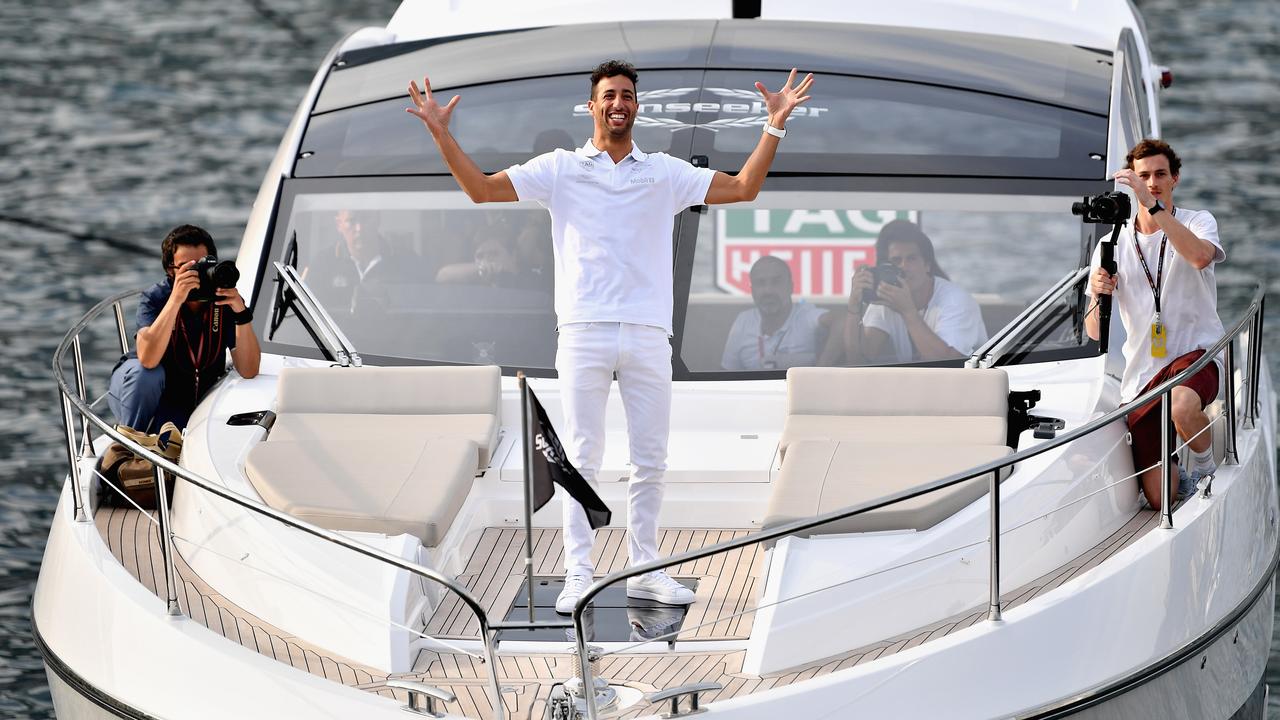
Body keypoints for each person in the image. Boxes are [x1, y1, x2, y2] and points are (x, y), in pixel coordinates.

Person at [407, 59, 813, 613]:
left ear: (636, 107)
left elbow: (743, 189)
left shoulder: (664, 172)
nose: (618, 103)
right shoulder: (560, 169)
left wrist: (774, 125)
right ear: (592, 106)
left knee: (651, 460)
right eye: (608, 95)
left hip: (648, 333)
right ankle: (579, 574)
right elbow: (480, 191)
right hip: (582, 331)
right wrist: (440, 132)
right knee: (581, 459)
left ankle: (645, 569)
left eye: (626, 95)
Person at [1086, 139, 1225, 511]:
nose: (1152, 183)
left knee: (1181, 404)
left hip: (1196, 355)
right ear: (1131, 181)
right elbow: (1093, 332)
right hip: (1142, 376)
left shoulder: (1197, 221)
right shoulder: (1111, 243)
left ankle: (1208, 469)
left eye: (1160, 174)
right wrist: (1100, 294)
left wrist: (1156, 210)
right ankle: (1177, 455)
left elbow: (1198, 257)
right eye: (1142, 176)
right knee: (1159, 497)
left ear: (1174, 178)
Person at [108, 225, 261, 432]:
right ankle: (129, 445)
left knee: (173, 439)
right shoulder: (156, 298)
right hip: (140, 388)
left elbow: (249, 370)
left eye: (202, 264)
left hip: (184, 400)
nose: (197, 273)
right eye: (188, 268)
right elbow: (148, 358)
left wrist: (242, 314)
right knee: (146, 374)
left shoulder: (223, 299)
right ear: (171, 270)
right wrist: (176, 300)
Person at [842, 219, 987, 364]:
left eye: (911, 258)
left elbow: (947, 365)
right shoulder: (886, 297)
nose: (904, 266)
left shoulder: (957, 301)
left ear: (927, 265)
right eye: (896, 260)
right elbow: (858, 359)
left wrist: (908, 311)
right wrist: (854, 306)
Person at [721, 255, 832, 370]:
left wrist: (822, 368)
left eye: (776, 282)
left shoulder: (807, 316)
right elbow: (726, 372)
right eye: (760, 283)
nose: (768, 290)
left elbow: (841, 322)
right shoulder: (743, 321)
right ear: (752, 290)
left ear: (791, 286)